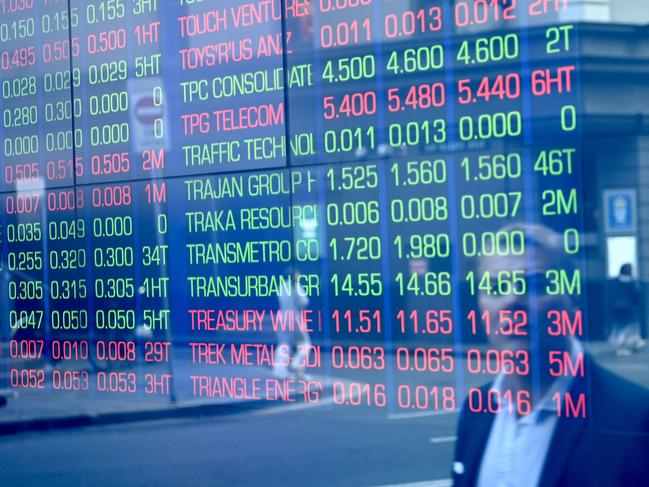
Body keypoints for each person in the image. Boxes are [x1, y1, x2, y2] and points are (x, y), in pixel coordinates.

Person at [452, 224, 649, 487]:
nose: (512, 300)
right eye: (495, 287)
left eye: (535, 284)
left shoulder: (633, 418)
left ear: (572, 300)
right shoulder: (476, 410)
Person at [273, 268, 311, 379]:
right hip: (294, 318)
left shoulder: (282, 286)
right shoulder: (296, 286)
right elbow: (304, 302)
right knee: (305, 343)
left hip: (282, 317)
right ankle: (297, 365)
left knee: (284, 344)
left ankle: (279, 371)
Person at [610, 263, 646, 356]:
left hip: (617, 307)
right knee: (630, 326)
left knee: (619, 327)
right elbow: (637, 294)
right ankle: (626, 345)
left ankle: (623, 344)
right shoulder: (632, 282)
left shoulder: (616, 281)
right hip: (629, 307)